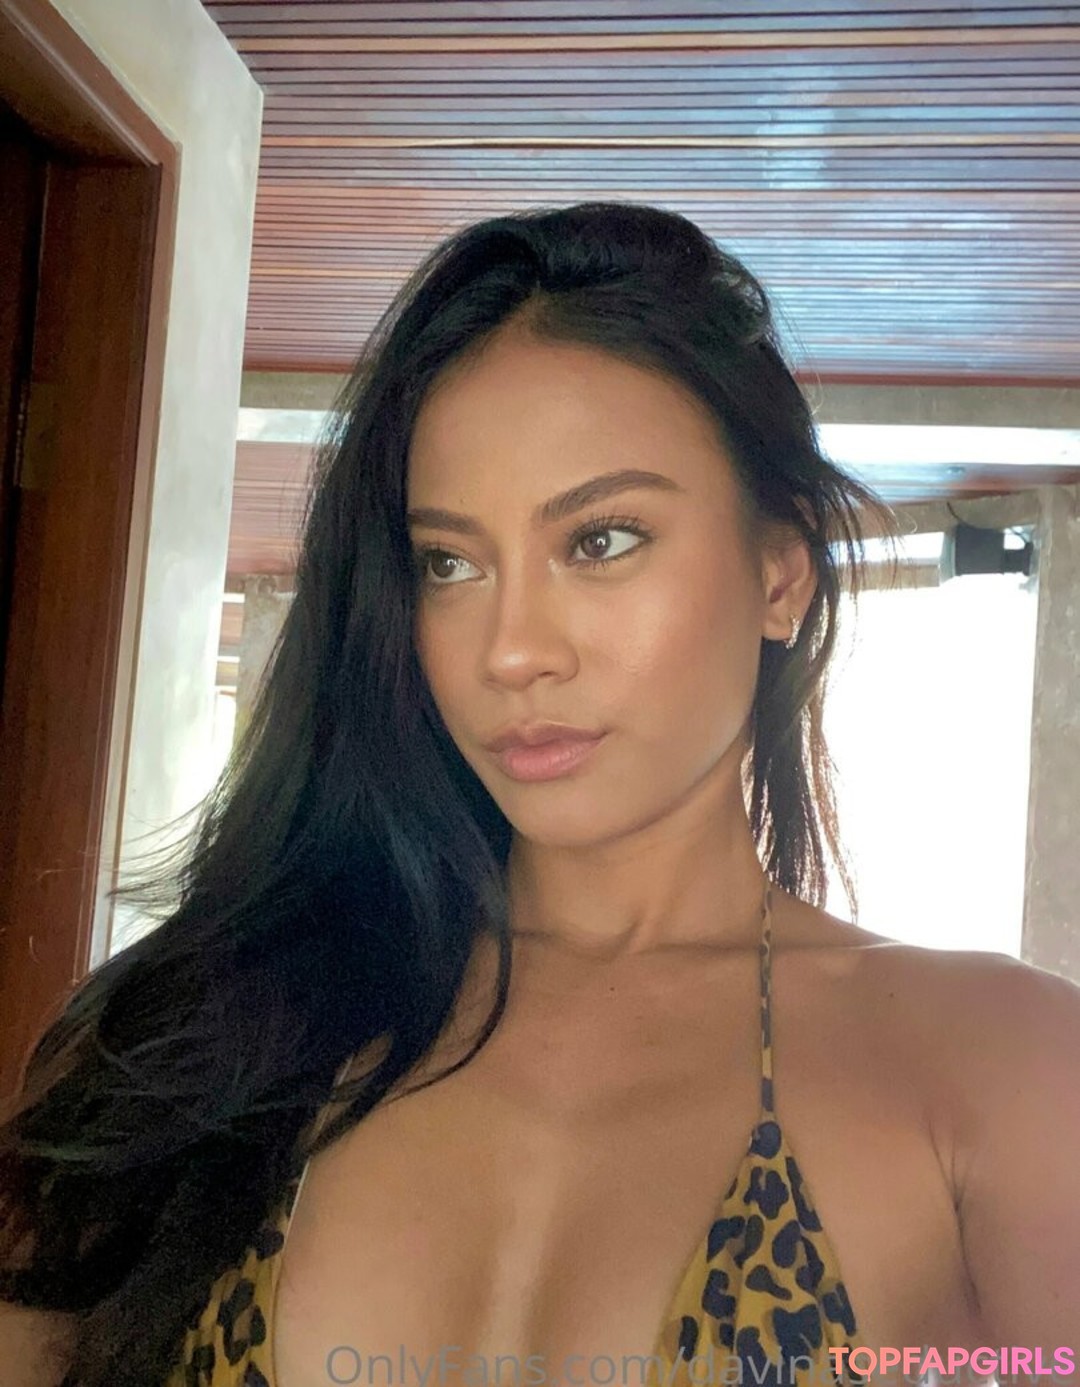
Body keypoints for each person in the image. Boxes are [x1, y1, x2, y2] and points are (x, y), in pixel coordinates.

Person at [1, 202, 1078, 1387]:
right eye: (449, 562)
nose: (512, 649)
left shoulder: (999, 1072)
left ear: (780, 574)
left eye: (602, 540)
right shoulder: (184, 1037)